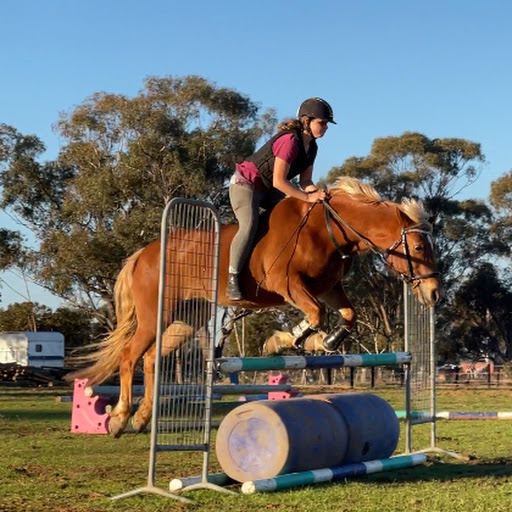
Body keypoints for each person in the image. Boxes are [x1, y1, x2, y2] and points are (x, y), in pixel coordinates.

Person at [227, 97, 336, 300]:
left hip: (267, 189)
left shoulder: (312, 147)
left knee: (293, 217)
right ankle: (232, 277)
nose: (325, 127)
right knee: (249, 225)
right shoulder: (289, 141)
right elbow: (279, 181)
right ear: (306, 120)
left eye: (327, 124)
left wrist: (317, 194)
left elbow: (306, 181)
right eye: (322, 122)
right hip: (246, 185)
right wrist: (307, 197)